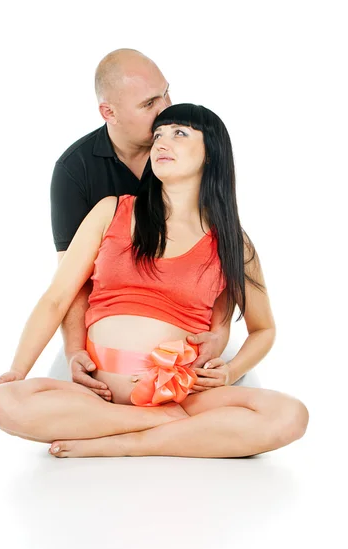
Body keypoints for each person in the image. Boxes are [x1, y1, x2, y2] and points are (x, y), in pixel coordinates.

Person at [0, 103, 309, 459]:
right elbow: (56, 299)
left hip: (183, 395)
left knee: (290, 416)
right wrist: (17, 370)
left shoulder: (232, 242)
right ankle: (160, 426)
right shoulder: (112, 211)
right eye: (158, 136)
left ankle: (125, 442)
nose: (161, 143)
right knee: (3, 402)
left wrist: (230, 373)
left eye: (179, 133)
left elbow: (264, 329)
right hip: (98, 395)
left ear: (212, 154)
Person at [47, 47, 258, 398]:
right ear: (108, 112)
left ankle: (142, 432)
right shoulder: (76, 170)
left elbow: (217, 257)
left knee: (260, 412)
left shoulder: (184, 152)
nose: (166, 109)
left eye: (166, 93)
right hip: (105, 335)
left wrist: (220, 333)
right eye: (149, 104)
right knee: (37, 407)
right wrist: (74, 351)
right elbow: (69, 282)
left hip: (187, 340)